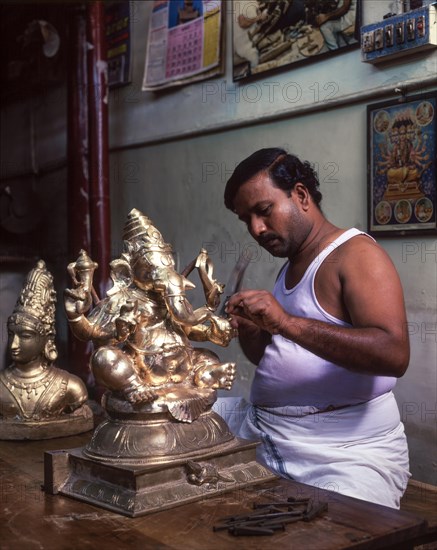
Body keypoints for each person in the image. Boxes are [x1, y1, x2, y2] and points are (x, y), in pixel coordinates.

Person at [217, 147, 411, 508]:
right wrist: (252, 330)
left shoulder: (355, 256)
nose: (256, 229)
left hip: (343, 453)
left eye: (263, 211)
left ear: (301, 196)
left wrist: (287, 322)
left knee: (331, 528)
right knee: (172, 421)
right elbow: (275, 358)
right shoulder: (290, 264)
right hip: (271, 432)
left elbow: (393, 353)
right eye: (246, 220)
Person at [0, 260, 92, 438]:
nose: (14, 345)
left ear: (46, 338)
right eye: (12, 334)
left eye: (25, 336)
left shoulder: (70, 387)